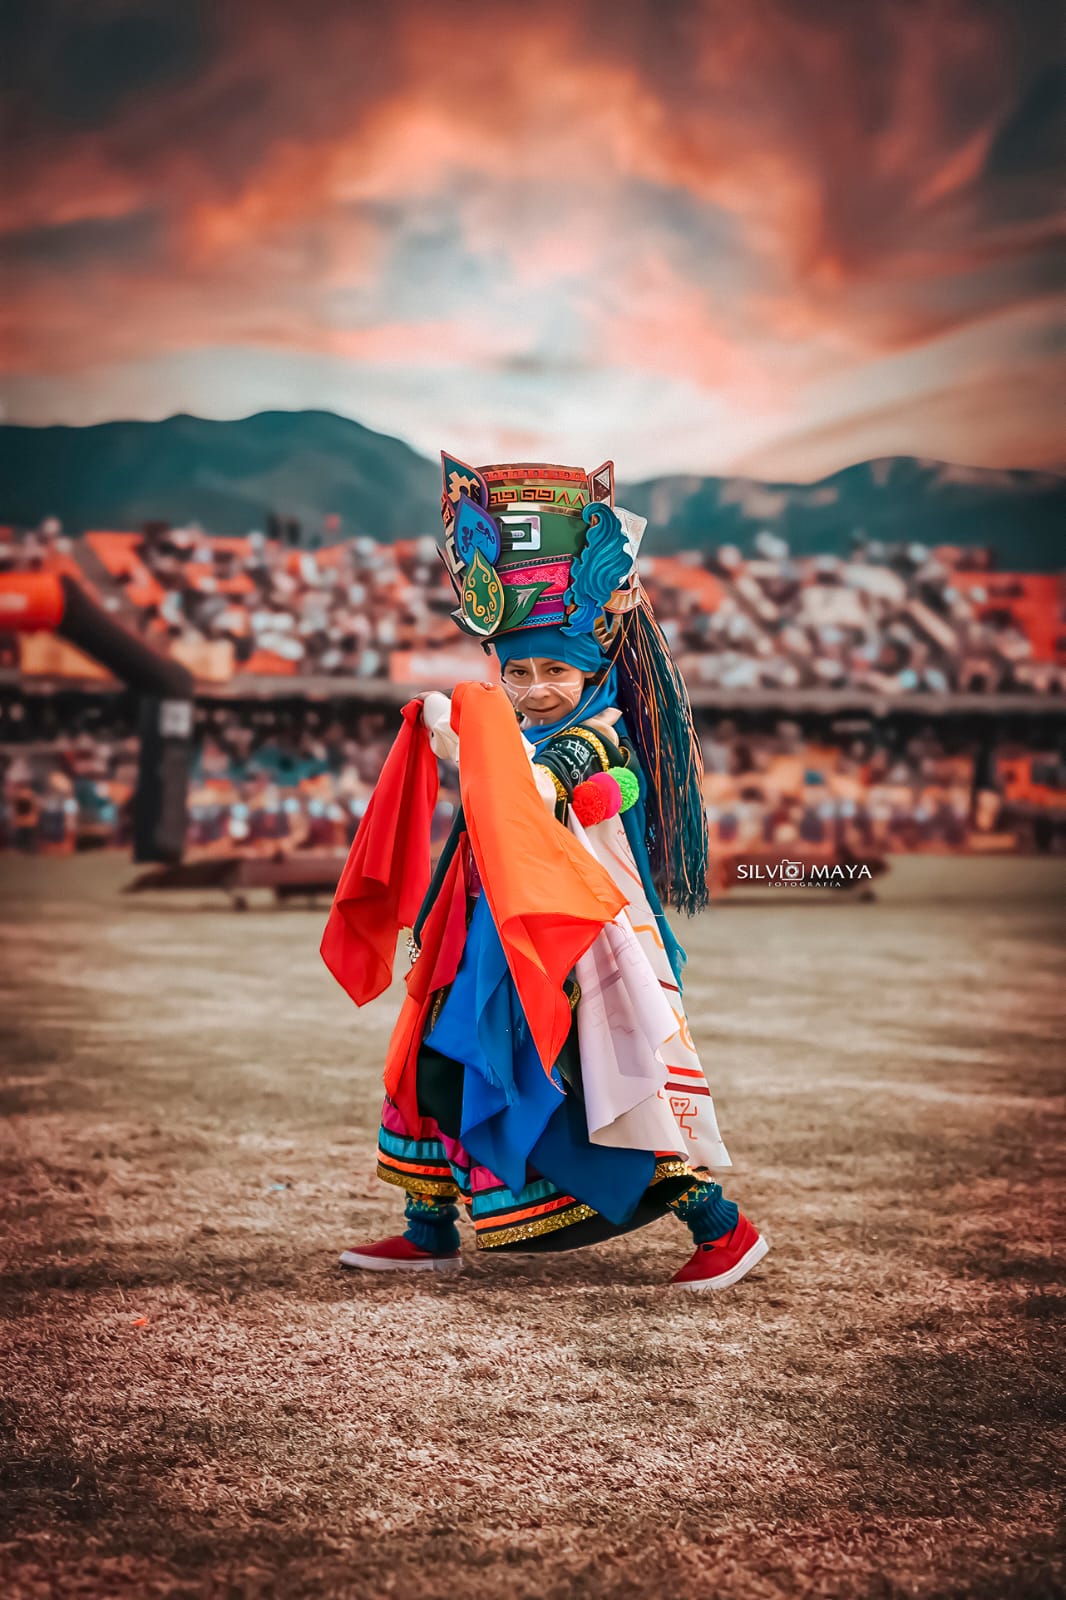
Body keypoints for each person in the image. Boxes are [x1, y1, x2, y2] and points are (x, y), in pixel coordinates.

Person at [321, 457, 767, 1291]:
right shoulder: (518, 726)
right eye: (516, 674)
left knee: (592, 1092)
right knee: (427, 1062)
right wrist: (462, 729)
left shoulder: (600, 736)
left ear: (592, 666)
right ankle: (427, 1226)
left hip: (571, 948)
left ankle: (724, 1227)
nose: (533, 690)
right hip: (485, 929)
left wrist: (466, 728)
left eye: (553, 672)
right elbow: (502, 787)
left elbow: (538, 788)